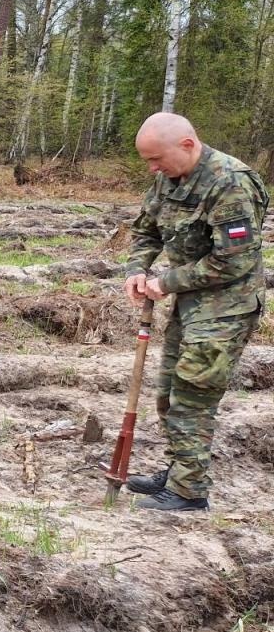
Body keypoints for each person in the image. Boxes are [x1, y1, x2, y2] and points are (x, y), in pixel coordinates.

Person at [122, 112, 267, 512]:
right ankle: (179, 470)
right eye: (147, 161)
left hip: (227, 307)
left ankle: (190, 491)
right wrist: (138, 269)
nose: (152, 168)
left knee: (193, 395)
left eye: (157, 159)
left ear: (187, 145)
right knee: (169, 390)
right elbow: (146, 229)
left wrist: (167, 282)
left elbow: (233, 261)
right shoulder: (167, 177)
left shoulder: (231, 183)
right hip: (190, 304)